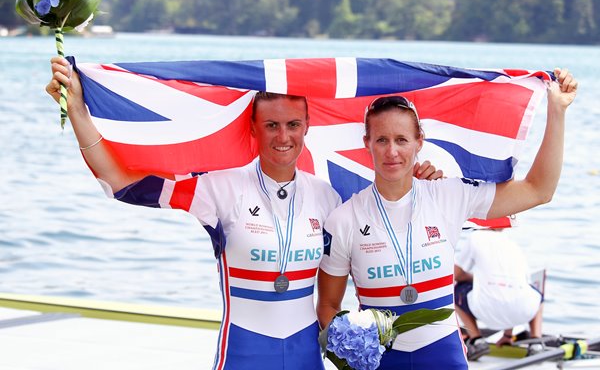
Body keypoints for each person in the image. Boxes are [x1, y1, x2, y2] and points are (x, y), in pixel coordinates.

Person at [45, 56, 441, 370]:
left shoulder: (328, 197)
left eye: (292, 125)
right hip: (241, 355)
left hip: (308, 360)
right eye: (271, 125)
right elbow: (121, 182)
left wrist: (418, 177)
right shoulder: (219, 188)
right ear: (253, 128)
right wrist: (79, 110)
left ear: (307, 127)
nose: (282, 137)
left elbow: (386, 212)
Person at [317, 69, 577, 370]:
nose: (392, 151)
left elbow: (538, 190)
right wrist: (347, 350)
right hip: (380, 360)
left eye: (402, 139)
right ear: (367, 142)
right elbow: (328, 306)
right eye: (381, 140)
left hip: (443, 354)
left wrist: (557, 111)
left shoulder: (449, 195)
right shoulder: (343, 220)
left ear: (419, 142)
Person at [454, 228, 545, 360]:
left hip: (486, 309)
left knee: (456, 290)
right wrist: (508, 335)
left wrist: (477, 279)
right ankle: (536, 343)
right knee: (535, 295)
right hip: (522, 311)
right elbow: (512, 290)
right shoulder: (512, 244)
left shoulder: (475, 237)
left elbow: (456, 274)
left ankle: (477, 340)